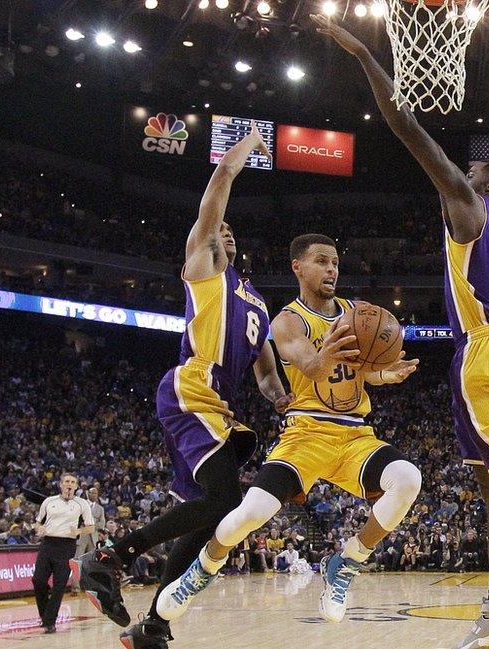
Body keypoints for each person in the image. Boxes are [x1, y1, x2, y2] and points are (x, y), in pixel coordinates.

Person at [310, 16, 489, 649]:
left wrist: (363, 52)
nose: (456, 178)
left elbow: (407, 127)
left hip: (487, 349)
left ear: (484, 185)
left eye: (469, 174)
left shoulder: (472, 207)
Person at [73, 122, 292, 648]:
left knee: (206, 526)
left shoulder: (257, 301)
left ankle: (153, 627)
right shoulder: (204, 268)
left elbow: (265, 373)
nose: (226, 233)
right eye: (221, 230)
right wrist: (244, 147)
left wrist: (285, 399)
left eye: (233, 233)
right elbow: (219, 184)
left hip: (226, 407)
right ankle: (110, 557)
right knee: (222, 503)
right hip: (192, 386)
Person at [156, 234, 423, 625]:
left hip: (354, 435)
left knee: (409, 479)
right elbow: (311, 366)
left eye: (334, 262)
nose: (331, 270)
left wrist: (384, 373)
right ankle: (203, 569)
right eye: (321, 261)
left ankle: (346, 562)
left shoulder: (359, 314)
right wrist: (328, 352)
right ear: (298, 267)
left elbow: (364, 371)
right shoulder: (287, 321)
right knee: (249, 513)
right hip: (305, 434)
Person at [33, 473, 94, 633]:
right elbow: (38, 522)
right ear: (61, 484)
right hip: (48, 543)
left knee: (59, 585)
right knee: (38, 580)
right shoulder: (49, 501)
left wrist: (79, 531)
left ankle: (49, 622)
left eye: (73, 482)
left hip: (67, 545)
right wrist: (38, 528)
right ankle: (45, 615)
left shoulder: (82, 504)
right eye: (66, 481)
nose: (69, 484)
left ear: (76, 486)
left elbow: (91, 527)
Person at [76, 487, 105, 558]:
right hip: (82, 534)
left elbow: (102, 524)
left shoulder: (100, 509)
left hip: (93, 536)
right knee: (78, 557)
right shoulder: (81, 504)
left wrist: (91, 525)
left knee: (90, 559)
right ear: (88, 493)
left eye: (96, 493)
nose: (94, 495)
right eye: (92, 493)